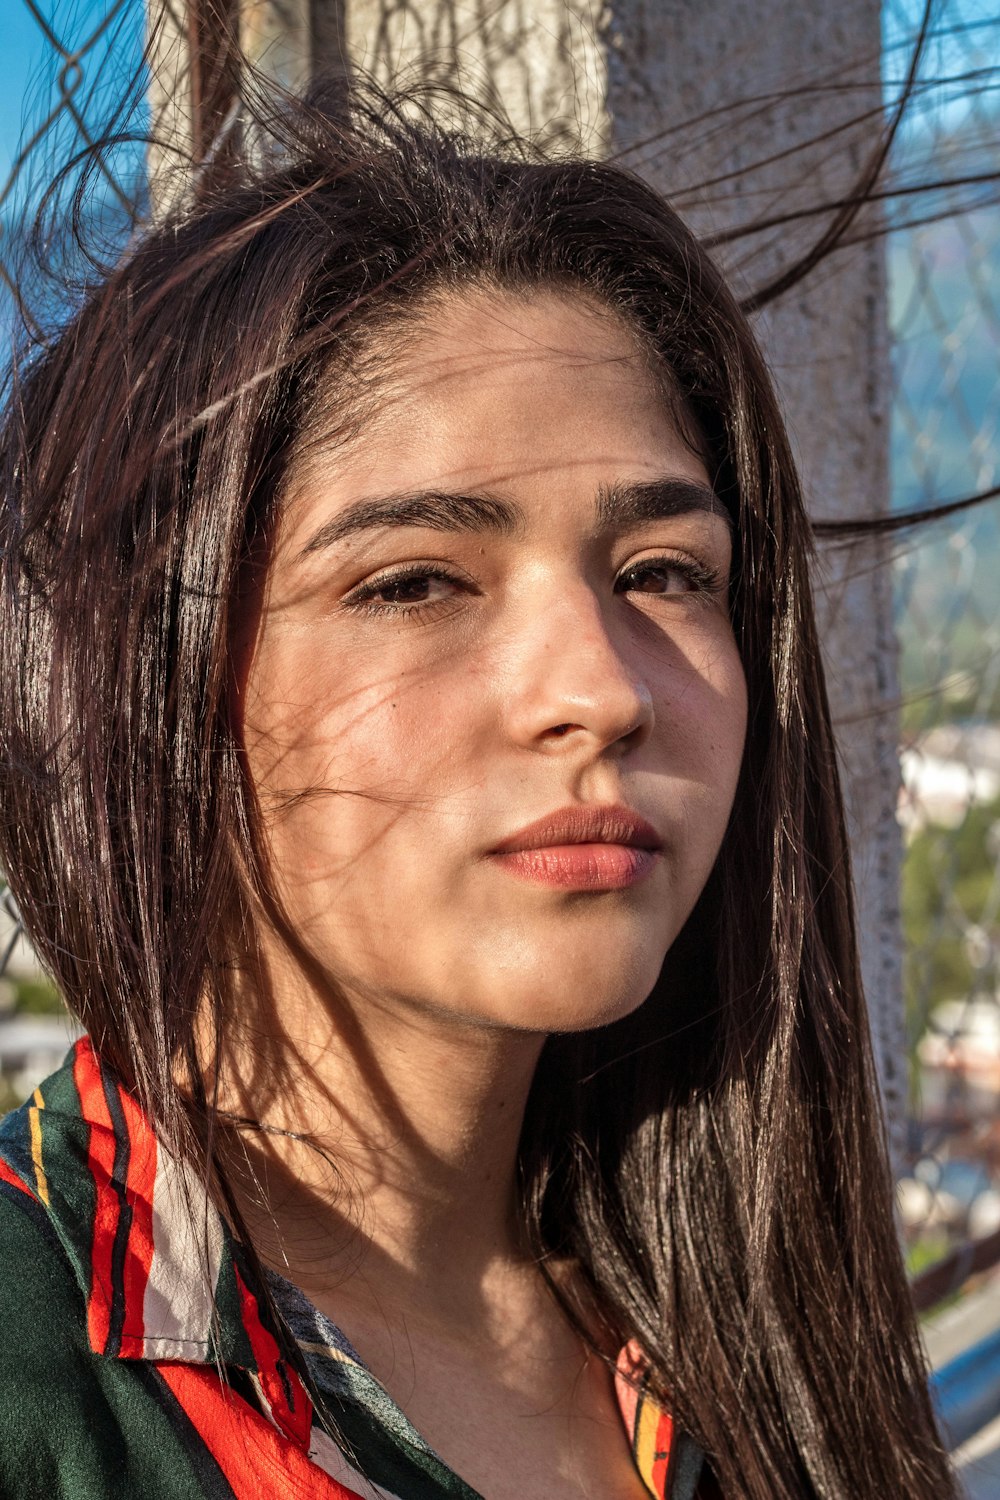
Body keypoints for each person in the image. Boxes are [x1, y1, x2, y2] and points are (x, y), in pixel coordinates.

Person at [0, 82, 956, 1499]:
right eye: (415, 583)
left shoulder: (740, 1346)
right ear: (153, 681)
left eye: (663, 575)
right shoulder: (44, 1374)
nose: (602, 689)